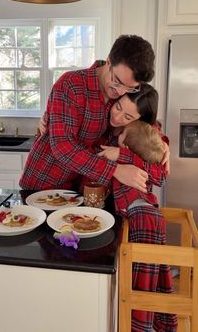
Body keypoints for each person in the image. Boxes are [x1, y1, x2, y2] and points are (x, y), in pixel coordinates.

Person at [36, 84, 177, 331]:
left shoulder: (145, 133)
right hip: (86, 207)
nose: (118, 117)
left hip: (116, 215)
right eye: (118, 106)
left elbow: (159, 175)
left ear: (141, 120)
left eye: (128, 116)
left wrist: (122, 155)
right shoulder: (99, 118)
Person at [20, 34, 156, 193]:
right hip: (43, 183)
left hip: (81, 189)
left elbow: (141, 123)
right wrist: (115, 170)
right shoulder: (71, 84)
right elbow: (63, 146)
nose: (120, 91)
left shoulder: (123, 97)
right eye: (117, 81)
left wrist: (161, 144)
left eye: (129, 88)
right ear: (108, 61)